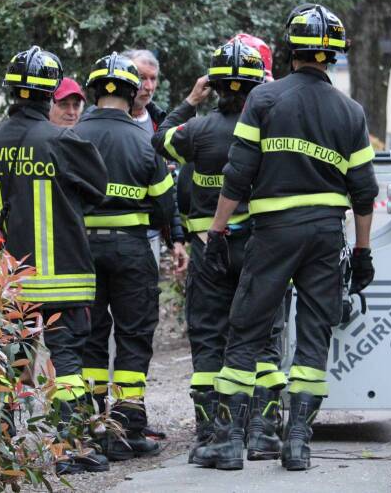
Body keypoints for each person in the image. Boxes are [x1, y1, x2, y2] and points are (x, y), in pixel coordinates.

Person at [194, 5, 379, 471]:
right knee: (314, 334)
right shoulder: (351, 112)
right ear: (334, 55)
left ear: (290, 49)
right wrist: (362, 252)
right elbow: (363, 191)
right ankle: (297, 444)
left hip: (273, 233)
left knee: (247, 329)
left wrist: (216, 234)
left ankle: (228, 443)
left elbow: (237, 176)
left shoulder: (265, 100)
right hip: (324, 234)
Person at [152, 38, 288, 463]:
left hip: (209, 251)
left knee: (210, 340)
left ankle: (213, 436)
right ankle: (264, 434)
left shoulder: (197, 132)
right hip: (261, 249)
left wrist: (192, 101)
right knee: (263, 338)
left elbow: (160, 139)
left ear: (215, 84)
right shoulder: (270, 129)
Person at [0, 46, 110, 475]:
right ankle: (70, 449)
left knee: (12, 362)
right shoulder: (61, 139)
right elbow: (98, 189)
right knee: (68, 364)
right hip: (65, 275)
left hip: (12, 276)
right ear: (51, 93)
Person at [74, 53, 176, 461]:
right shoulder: (144, 141)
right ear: (133, 93)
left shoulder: (72, 137)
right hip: (132, 249)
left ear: (95, 91)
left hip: (82, 251)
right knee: (133, 337)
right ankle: (129, 425)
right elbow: (166, 206)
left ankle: (94, 427)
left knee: (92, 336)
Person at [120, 49, 188, 272]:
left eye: (153, 78)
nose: (148, 86)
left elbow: (171, 185)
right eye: (141, 78)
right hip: (108, 237)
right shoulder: (103, 121)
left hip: (150, 239)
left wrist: (176, 238)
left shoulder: (160, 123)